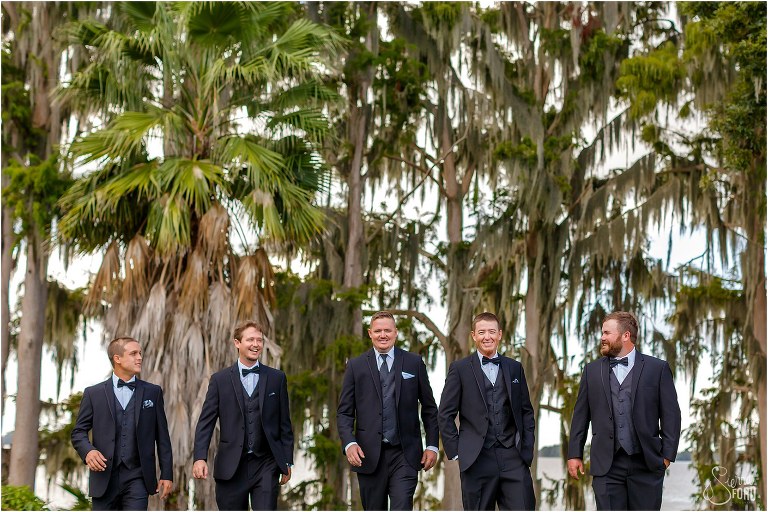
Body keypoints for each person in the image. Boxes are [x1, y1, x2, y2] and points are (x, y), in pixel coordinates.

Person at [567, 311, 682, 510]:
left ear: (626, 335)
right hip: (606, 466)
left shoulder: (658, 369)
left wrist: (666, 457)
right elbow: (580, 416)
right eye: (602, 333)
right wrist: (574, 454)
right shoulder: (591, 371)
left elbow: (671, 415)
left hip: (647, 464)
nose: (602, 337)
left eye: (607, 333)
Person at [337, 311, 440, 510]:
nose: (383, 335)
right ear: (370, 333)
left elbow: (429, 409)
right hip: (367, 455)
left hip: (405, 454)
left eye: (387, 330)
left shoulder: (414, 363)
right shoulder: (356, 366)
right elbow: (344, 413)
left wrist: (432, 445)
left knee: (402, 506)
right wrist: (349, 443)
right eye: (378, 331)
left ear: (396, 332)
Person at [438, 312, 536, 511]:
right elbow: (445, 414)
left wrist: (526, 447)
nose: (487, 337)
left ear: (499, 334)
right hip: (476, 459)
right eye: (481, 332)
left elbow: (526, 411)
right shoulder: (460, 369)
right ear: (474, 335)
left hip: (513, 457)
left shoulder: (515, 368)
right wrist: (457, 452)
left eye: (492, 332)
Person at [192, 320, 294, 511]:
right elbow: (206, 423)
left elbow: (284, 424)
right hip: (230, 467)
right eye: (250, 340)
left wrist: (287, 461)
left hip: (266, 463)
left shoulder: (277, 378)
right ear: (237, 343)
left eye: (259, 340)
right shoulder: (219, 380)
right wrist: (199, 457)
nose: (256, 344)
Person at [71, 337, 173, 510]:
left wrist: (167, 474)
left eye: (140, 353)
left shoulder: (153, 392)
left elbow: (162, 437)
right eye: (133, 353)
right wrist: (88, 451)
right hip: (103, 476)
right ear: (117, 358)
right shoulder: (93, 394)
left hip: (138, 477)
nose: (139, 357)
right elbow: (78, 432)